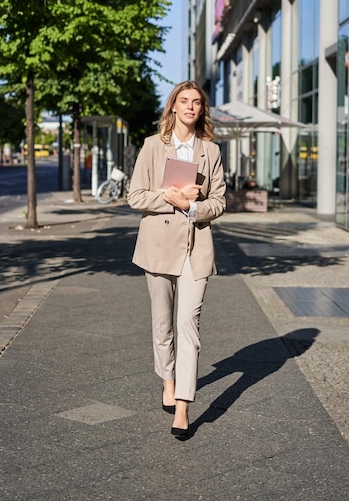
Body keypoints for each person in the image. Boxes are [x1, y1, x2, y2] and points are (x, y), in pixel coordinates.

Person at [127, 80, 226, 438]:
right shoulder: (153, 146)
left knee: (189, 325)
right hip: (157, 246)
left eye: (196, 102)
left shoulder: (211, 152)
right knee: (162, 323)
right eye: (183, 101)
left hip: (196, 248)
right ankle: (167, 378)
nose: (189, 107)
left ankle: (182, 406)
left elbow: (219, 203)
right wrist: (171, 198)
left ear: (202, 110)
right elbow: (135, 196)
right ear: (172, 107)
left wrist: (193, 207)